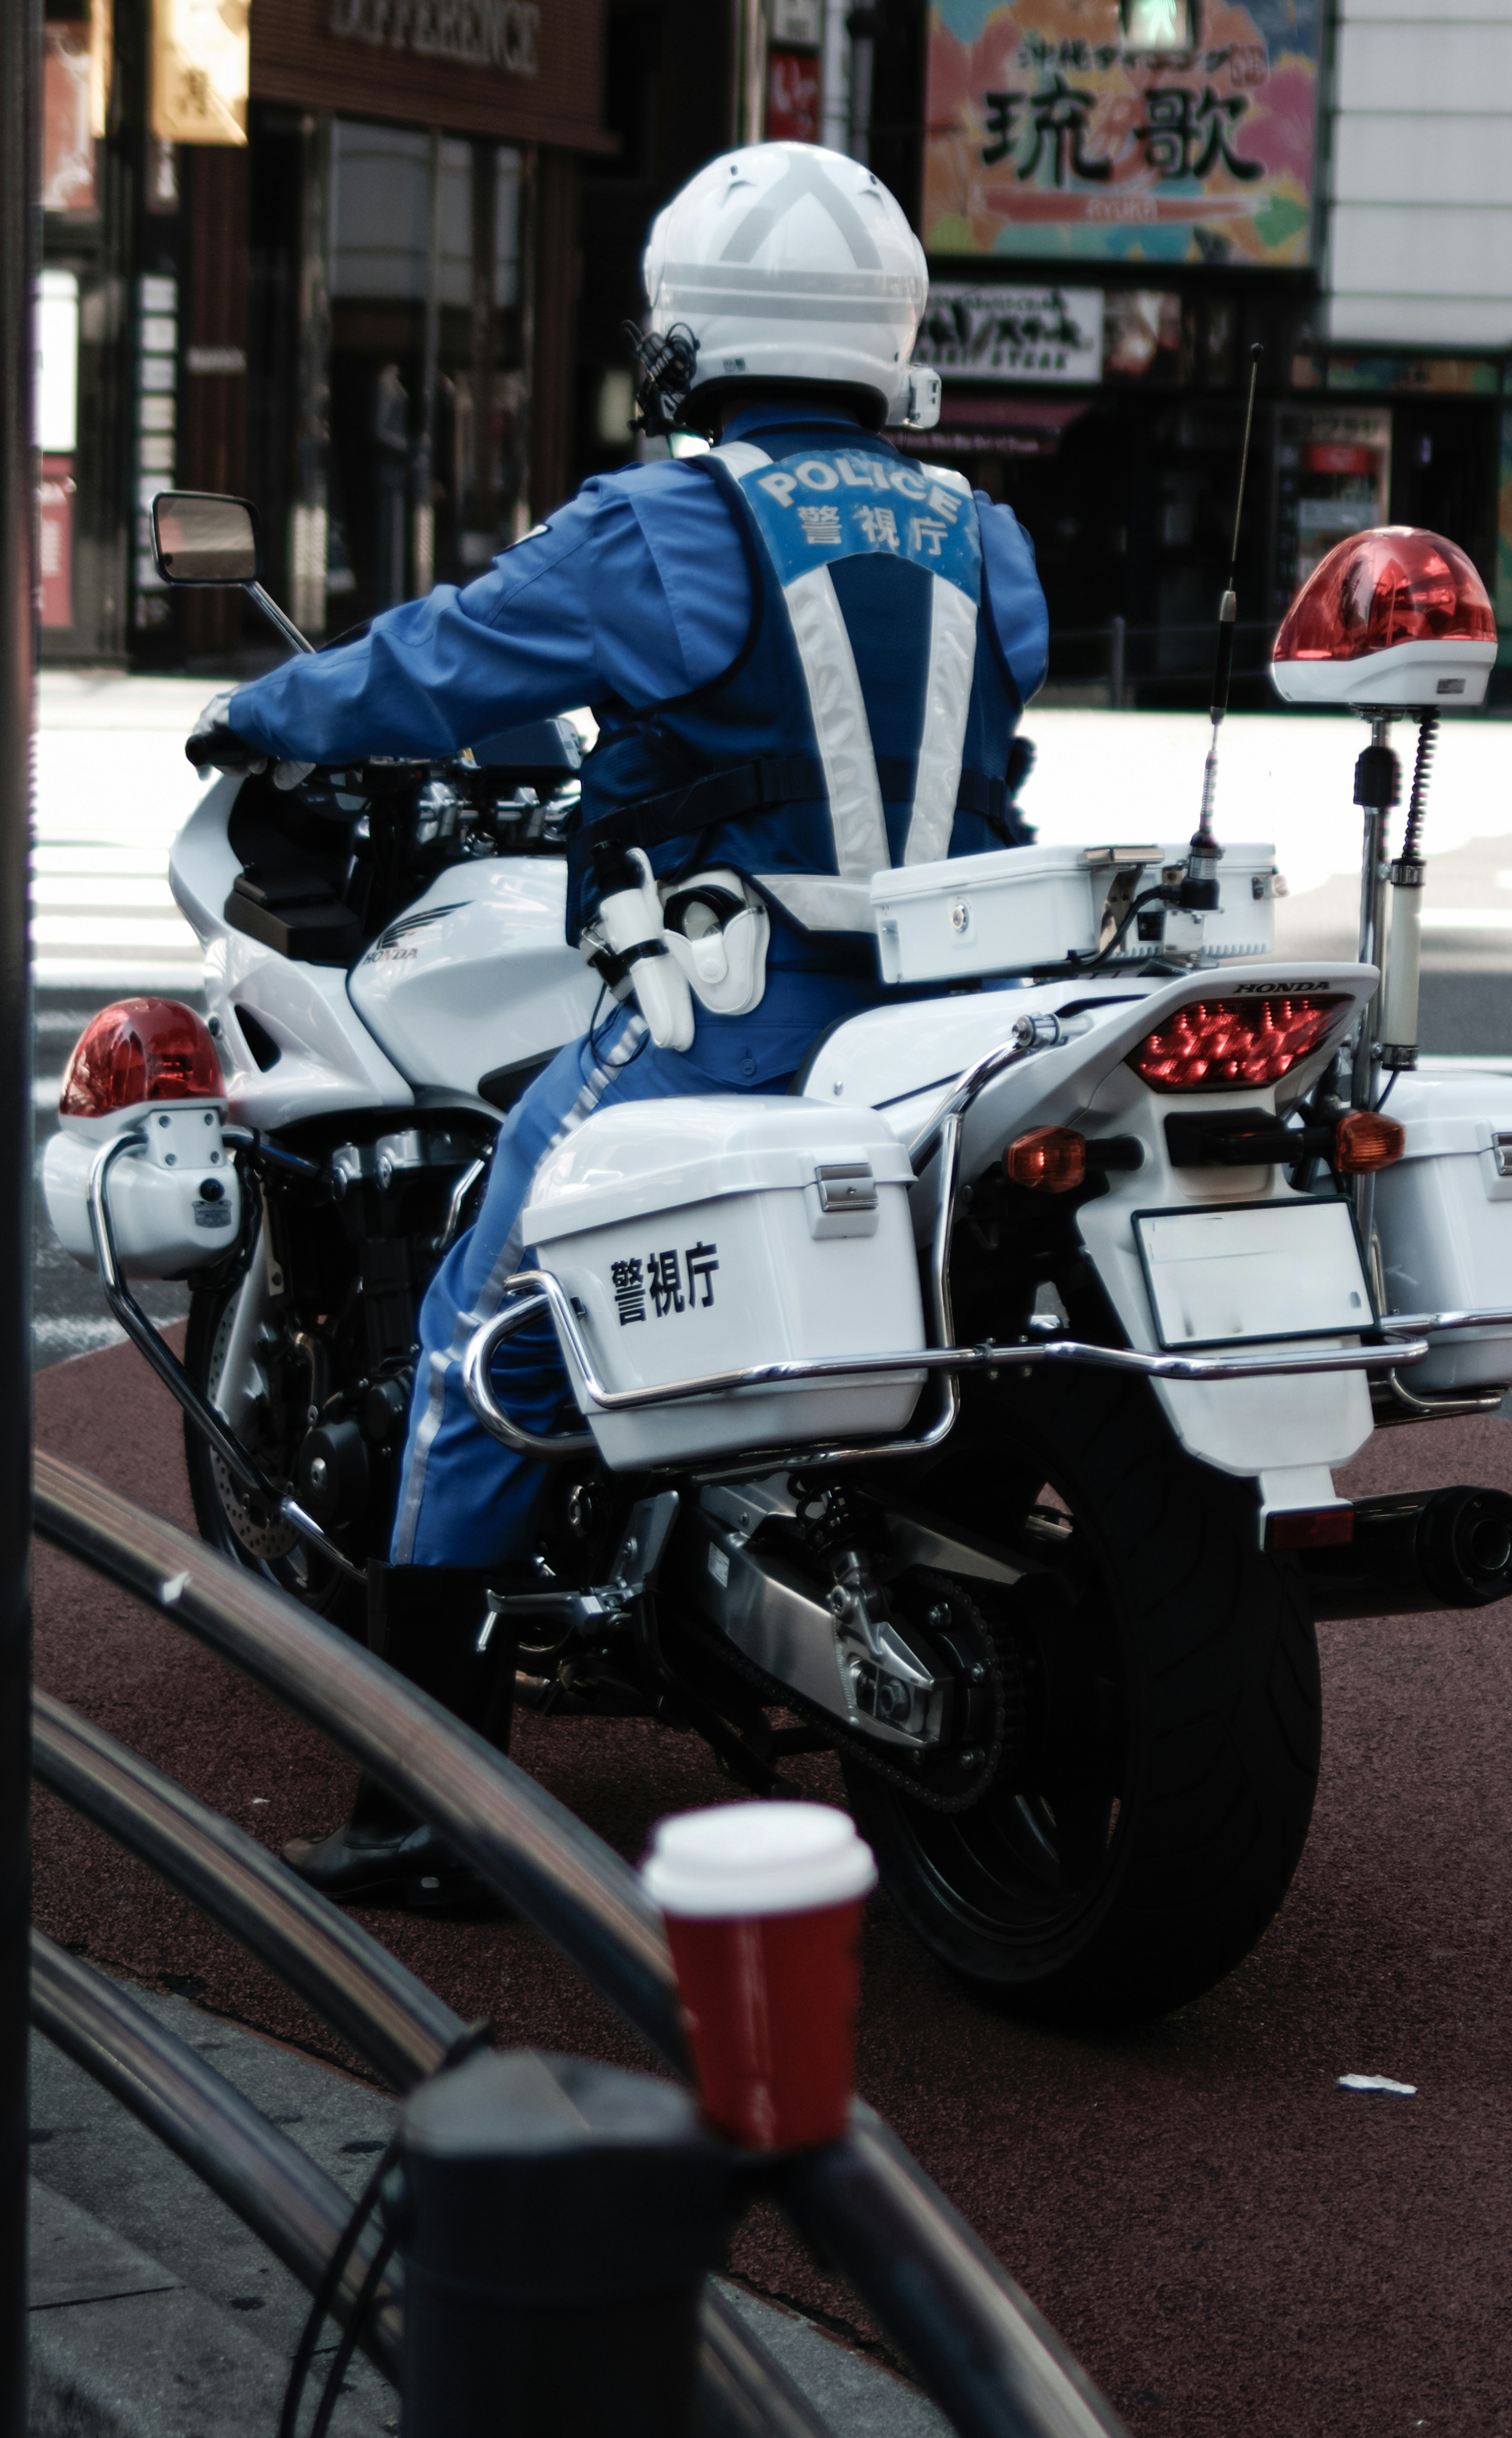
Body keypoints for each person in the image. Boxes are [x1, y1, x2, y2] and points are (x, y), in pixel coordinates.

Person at [186, 141, 1049, 1905]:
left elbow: (440, 662)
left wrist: (261, 706)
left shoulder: (672, 522)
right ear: (887, 337)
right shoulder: (990, 534)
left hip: (737, 1011)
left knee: (470, 1349)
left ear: (685, 335)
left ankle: (434, 1807)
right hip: (953, 1020)